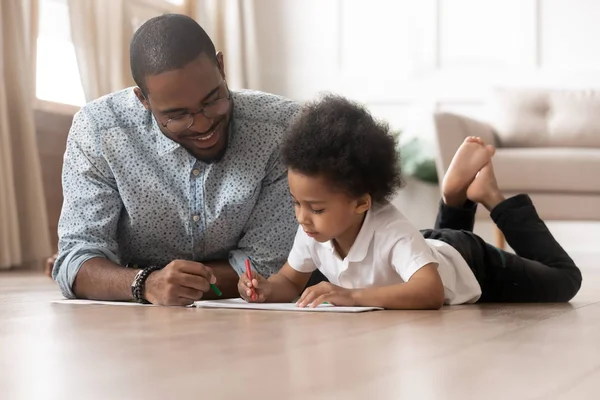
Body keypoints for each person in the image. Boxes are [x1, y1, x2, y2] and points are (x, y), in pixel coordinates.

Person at [52, 14, 310, 305]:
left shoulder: (282, 129)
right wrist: (146, 283)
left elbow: (268, 267)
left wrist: (172, 284)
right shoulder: (99, 130)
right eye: (177, 116)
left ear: (221, 67)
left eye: (213, 101)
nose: (202, 126)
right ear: (144, 101)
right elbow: (75, 259)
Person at [237, 95, 582, 309]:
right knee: (433, 249)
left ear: (361, 203)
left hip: (470, 261)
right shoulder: (313, 231)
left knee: (565, 280)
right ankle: (455, 197)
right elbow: (290, 281)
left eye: (315, 208)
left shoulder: (389, 230)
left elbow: (430, 292)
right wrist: (266, 289)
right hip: (430, 247)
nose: (302, 217)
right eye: (296, 203)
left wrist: (351, 296)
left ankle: (489, 197)